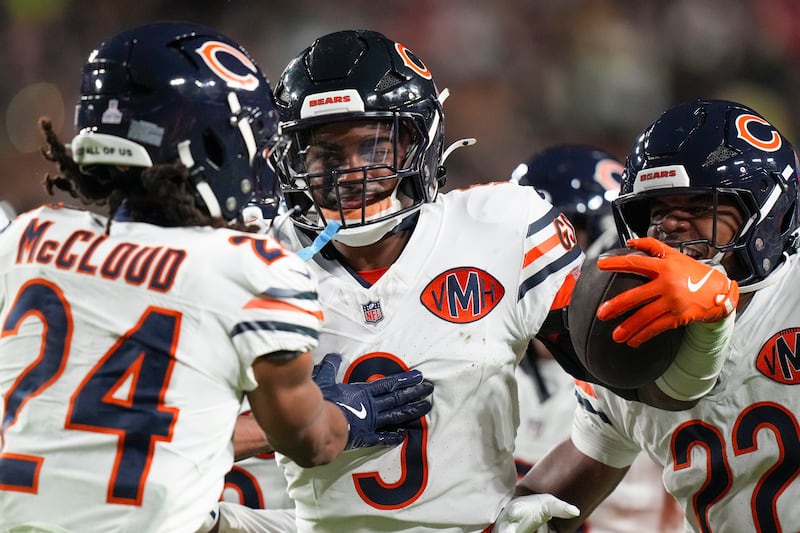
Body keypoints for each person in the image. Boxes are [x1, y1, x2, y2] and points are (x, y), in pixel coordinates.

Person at [0, 22, 433, 532]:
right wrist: (345, 412)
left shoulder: (26, 238)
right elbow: (312, 442)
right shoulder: (247, 269)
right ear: (209, 145)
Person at [257, 28, 587, 532]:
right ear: (294, 159)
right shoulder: (254, 256)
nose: (351, 173)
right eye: (326, 153)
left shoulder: (500, 225)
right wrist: (307, 421)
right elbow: (172, 426)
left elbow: (623, 391)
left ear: (418, 142)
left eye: (372, 147)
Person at [509, 98, 800, 532]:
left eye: (701, 207)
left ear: (770, 216)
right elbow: (555, 496)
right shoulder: (628, 332)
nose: (671, 228)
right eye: (658, 212)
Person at [510, 145, 684, 533]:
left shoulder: (654, 356)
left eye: (564, 231)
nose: (544, 252)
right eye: (530, 235)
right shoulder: (480, 351)